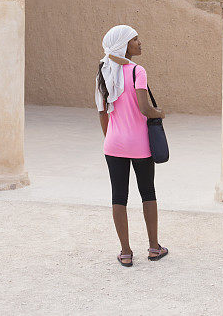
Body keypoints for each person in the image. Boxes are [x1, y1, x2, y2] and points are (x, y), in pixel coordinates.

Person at [95, 25, 168, 267]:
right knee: (148, 192)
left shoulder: (102, 71)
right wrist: (160, 112)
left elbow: (102, 112)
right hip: (139, 145)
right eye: (135, 39)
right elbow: (144, 109)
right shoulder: (138, 71)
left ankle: (125, 252)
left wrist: (112, 138)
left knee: (119, 196)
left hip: (113, 144)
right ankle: (154, 247)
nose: (139, 42)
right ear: (125, 44)